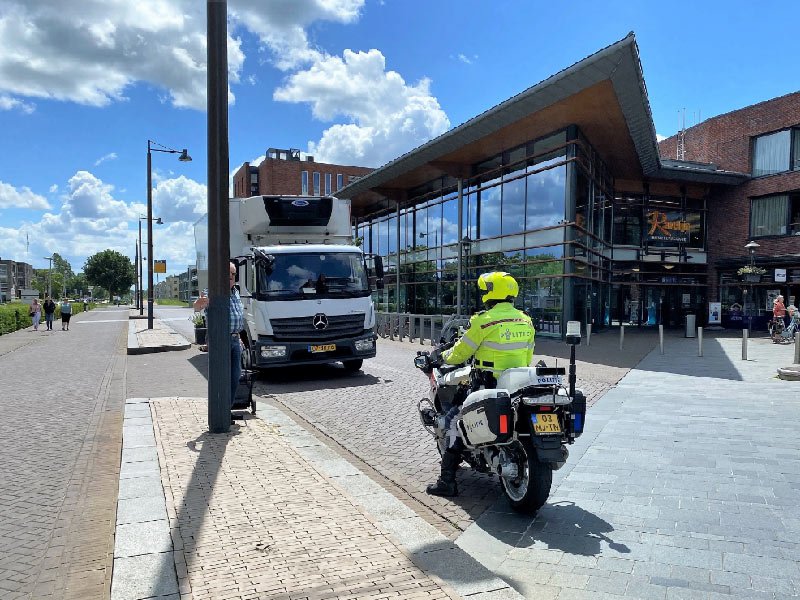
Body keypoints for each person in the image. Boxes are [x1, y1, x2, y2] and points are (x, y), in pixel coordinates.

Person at [426, 271, 536, 497]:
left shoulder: (483, 321)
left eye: (485, 290)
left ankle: (447, 482)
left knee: (454, 423)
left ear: (490, 293)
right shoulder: (526, 320)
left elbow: (460, 353)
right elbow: (527, 358)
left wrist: (441, 357)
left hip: (487, 386)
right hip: (516, 386)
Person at [193, 262, 245, 420]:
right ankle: (220, 413)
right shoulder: (213, 292)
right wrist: (198, 304)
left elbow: (236, 318)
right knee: (220, 378)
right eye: (227, 274)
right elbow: (197, 307)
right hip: (220, 342)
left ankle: (226, 410)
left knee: (235, 377)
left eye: (233, 274)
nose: (230, 277)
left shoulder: (236, 292)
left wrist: (239, 337)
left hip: (235, 341)